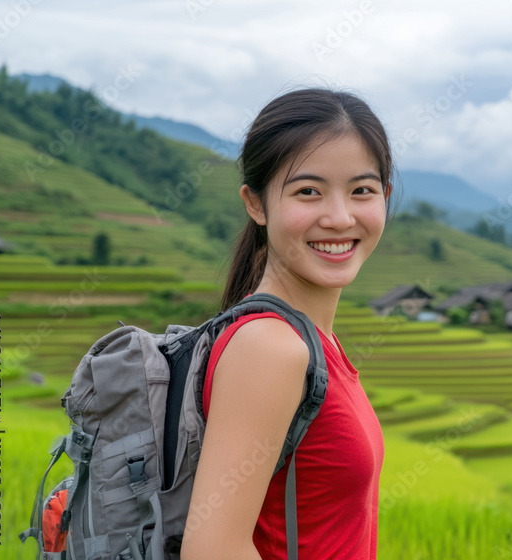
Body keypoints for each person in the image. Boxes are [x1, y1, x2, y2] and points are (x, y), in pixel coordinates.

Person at [180, 87, 396, 560]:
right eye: (308, 192)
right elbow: (213, 551)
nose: (340, 218)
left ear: (386, 197)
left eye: (362, 190)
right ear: (256, 204)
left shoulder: (314, 344)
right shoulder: (271, 348)